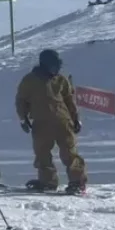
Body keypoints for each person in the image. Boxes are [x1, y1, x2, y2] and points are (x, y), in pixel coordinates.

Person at [16, 49, 87, 195]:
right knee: (42, 154)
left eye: (58, 66)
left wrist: (76, 119)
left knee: (70, 152)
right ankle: (48, 181)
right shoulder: (30, 80)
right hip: (41, 123)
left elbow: (69, 100)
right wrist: (23, 118)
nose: (56, 69)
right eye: (53, 66)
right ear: (44, 64)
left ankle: (77, 182)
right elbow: (21, 100)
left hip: (63, 121)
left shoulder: (61, 79)